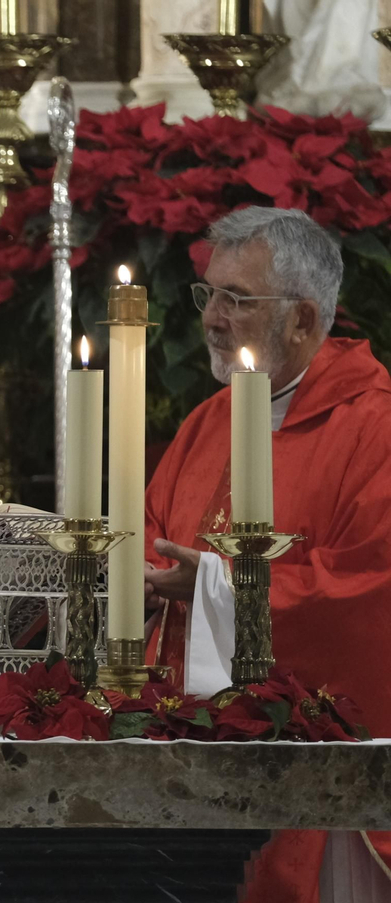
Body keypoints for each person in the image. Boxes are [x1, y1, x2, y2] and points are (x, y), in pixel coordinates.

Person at [140, 207, 391, 901]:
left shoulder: (376, 427)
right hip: (196, 764)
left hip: (320, 785)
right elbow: (150, 532)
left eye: (237, 299)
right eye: (209, 294)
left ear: (304, 320)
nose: (212, 317)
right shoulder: (207, 421)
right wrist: (139, 586)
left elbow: (371, 591)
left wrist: (222, 586)